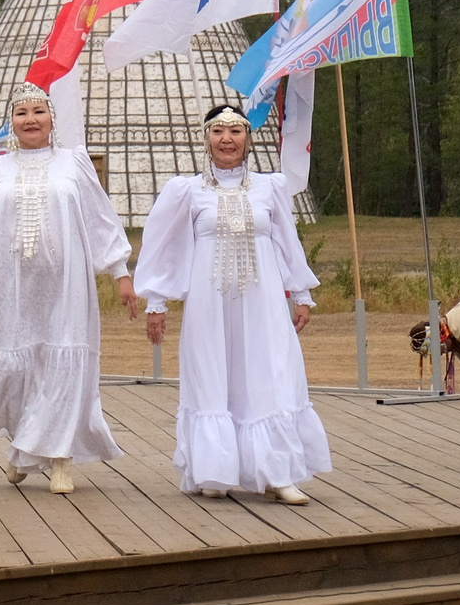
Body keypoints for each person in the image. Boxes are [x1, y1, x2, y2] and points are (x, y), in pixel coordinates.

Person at [133, 104, 329, 504]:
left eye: (235, 132)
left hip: (263, 300)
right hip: (209, 301)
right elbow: (163, 247)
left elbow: (287, 244)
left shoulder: (269, 188)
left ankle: (277, 473)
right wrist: (157, 302)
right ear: (207, 139)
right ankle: (213, 470)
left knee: (268, 372)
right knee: (211, 375)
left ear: (248, 139)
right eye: (219, 132)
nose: (227, 140)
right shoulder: (187, 192)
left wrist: (302, 293)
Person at [0, 82, 132, 495]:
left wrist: (120, 271)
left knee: (62, 359)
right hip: (12, 284)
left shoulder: (74, 162)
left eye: (38, 112)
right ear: (11, 122)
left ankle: (59, 458)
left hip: (66, 282)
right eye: (21, 113)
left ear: (53, 119)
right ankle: (24, 448)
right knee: (19, 364)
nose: (30, 120)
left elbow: (99, 218)